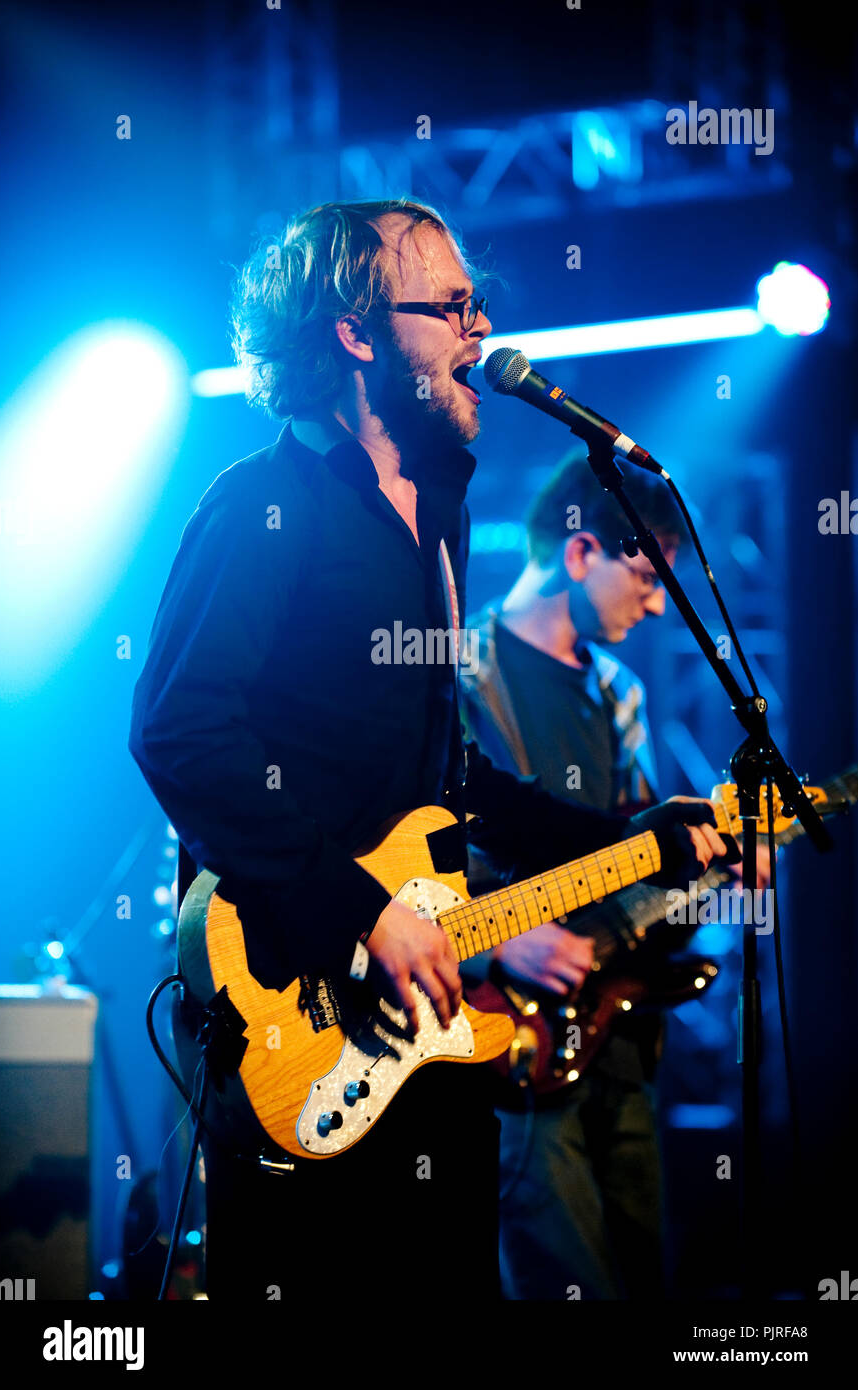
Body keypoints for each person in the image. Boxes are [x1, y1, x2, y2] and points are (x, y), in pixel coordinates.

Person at [128, 200, 725, 1300]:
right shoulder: (260, 505)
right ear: (355, 331)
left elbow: (453, 779)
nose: (479, 329)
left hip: (426, 1030)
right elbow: (178, 729)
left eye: (475, 302)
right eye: (450, 306)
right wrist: (361, 908)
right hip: (302, 1015)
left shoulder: (438, 517)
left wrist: (628, 837)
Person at [459, 452, 718, 1299]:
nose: (655, 605)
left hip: (623, 1039)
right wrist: (500, 941)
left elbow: (638, 871)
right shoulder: (461, 672)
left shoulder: (621, 695)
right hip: (513, 1042)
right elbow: (419, 852)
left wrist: (715, 862)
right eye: (646, 580)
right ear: (581, 553)